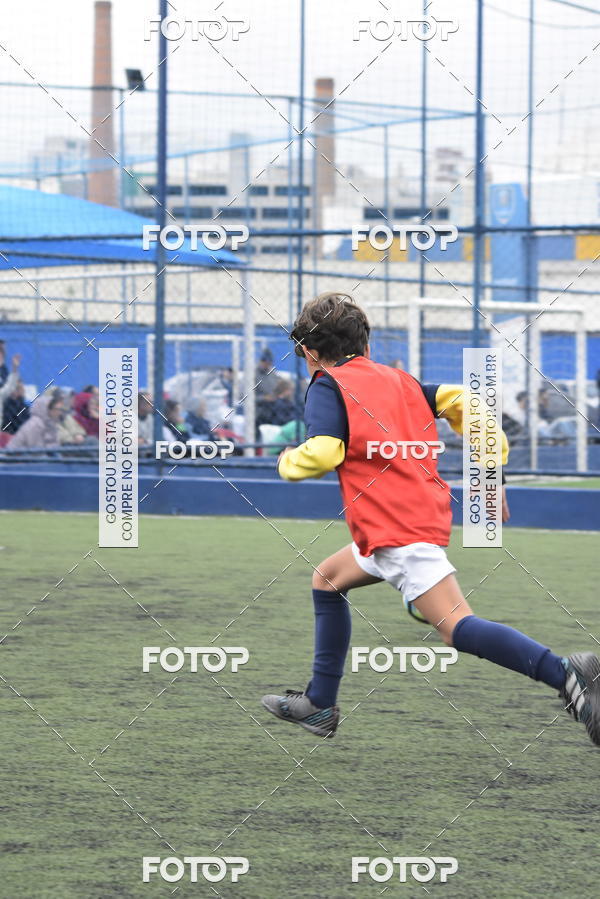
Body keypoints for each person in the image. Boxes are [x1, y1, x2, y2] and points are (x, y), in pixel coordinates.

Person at [261, 292, 600, 745]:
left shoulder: (327, 384)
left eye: (302, 353)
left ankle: (566, 674)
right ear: (367, 343)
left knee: (457, 628)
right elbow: (468, 403)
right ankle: (319, 704)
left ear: (310, 352)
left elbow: (325, 451)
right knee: (327, 579)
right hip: (399, 525)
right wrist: (491, 475)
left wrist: (286, 461)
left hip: (397, 532)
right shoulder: (401, 381)